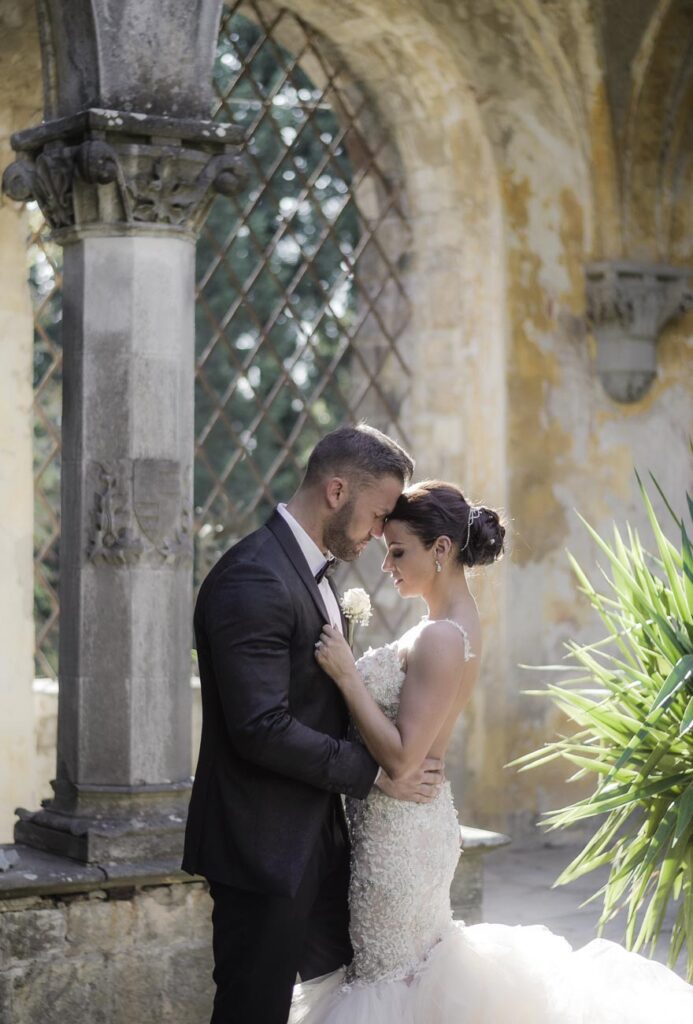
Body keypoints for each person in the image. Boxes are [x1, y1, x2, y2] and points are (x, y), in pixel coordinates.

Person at [293, 480, 693, 1023]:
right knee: (405, 981)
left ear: (441, 550)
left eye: (398, 551)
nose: (387, 565)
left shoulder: (440, 637)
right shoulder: (452, 625)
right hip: (407, 825)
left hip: (398, 840)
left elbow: (406, 759)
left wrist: (346, 676)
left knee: (388, 984)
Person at [182, 425, 446, 1024]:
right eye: (377, 514)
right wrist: (379, 775)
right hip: (263, 847)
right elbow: (262, 726)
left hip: (316, 845)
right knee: (254, 1010)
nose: (380, 531)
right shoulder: (253, 577)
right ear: (335, 491)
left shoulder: (313, 574)